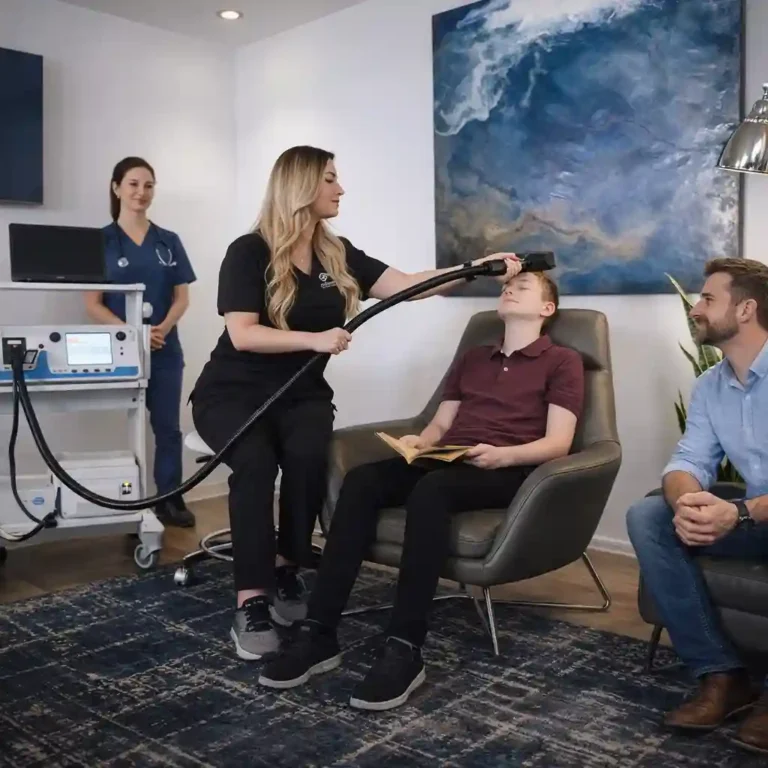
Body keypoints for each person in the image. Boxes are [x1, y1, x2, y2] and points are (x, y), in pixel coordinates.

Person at [190, 144, 520, 662]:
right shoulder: (248, 251)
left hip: (301, 394)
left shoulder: (335, 252)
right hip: (233, 392)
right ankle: (251, 599)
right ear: (300, 186)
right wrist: (316, 339)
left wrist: (475, 267)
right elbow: (245, 334)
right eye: (329, 179)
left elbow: (409, 287)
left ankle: (286, 568)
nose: (340, 189)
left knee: (307, 456)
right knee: (254, 463)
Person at [257, 267, 585, 711]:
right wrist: (419, 442)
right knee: (362, 482)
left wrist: (503, 455)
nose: (509, 288)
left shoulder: (562, 361)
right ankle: (318, 631)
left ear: (547, 309)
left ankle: (405, 647)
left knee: (431, 491)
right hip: (449, 457)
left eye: (523, 287)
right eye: (508, 284)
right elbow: (441, 423)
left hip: (506, 466)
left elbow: (558, 442)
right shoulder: (473, 357)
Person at [626, 257, 768, 756]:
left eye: (708, 298)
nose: (696, 307)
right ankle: (722, 676)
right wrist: (690, 504)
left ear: (746, 308)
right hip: (755, 514)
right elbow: (688, 459)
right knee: (648, 515)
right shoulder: (711, 385)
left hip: (758, 512)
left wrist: (742, 513)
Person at [84, 157, 197, 528]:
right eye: (133, 184)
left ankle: (169, 498)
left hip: (164, 347)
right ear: (116, 187)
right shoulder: (100, 241)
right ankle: (124, 500)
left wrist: (161, 327)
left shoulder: (169, 241)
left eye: (148, 185)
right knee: (122, 427)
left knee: (167, 427)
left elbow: (182, 297)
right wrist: (133, 332)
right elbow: (92, 304)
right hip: (121, 349)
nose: (141, 192)